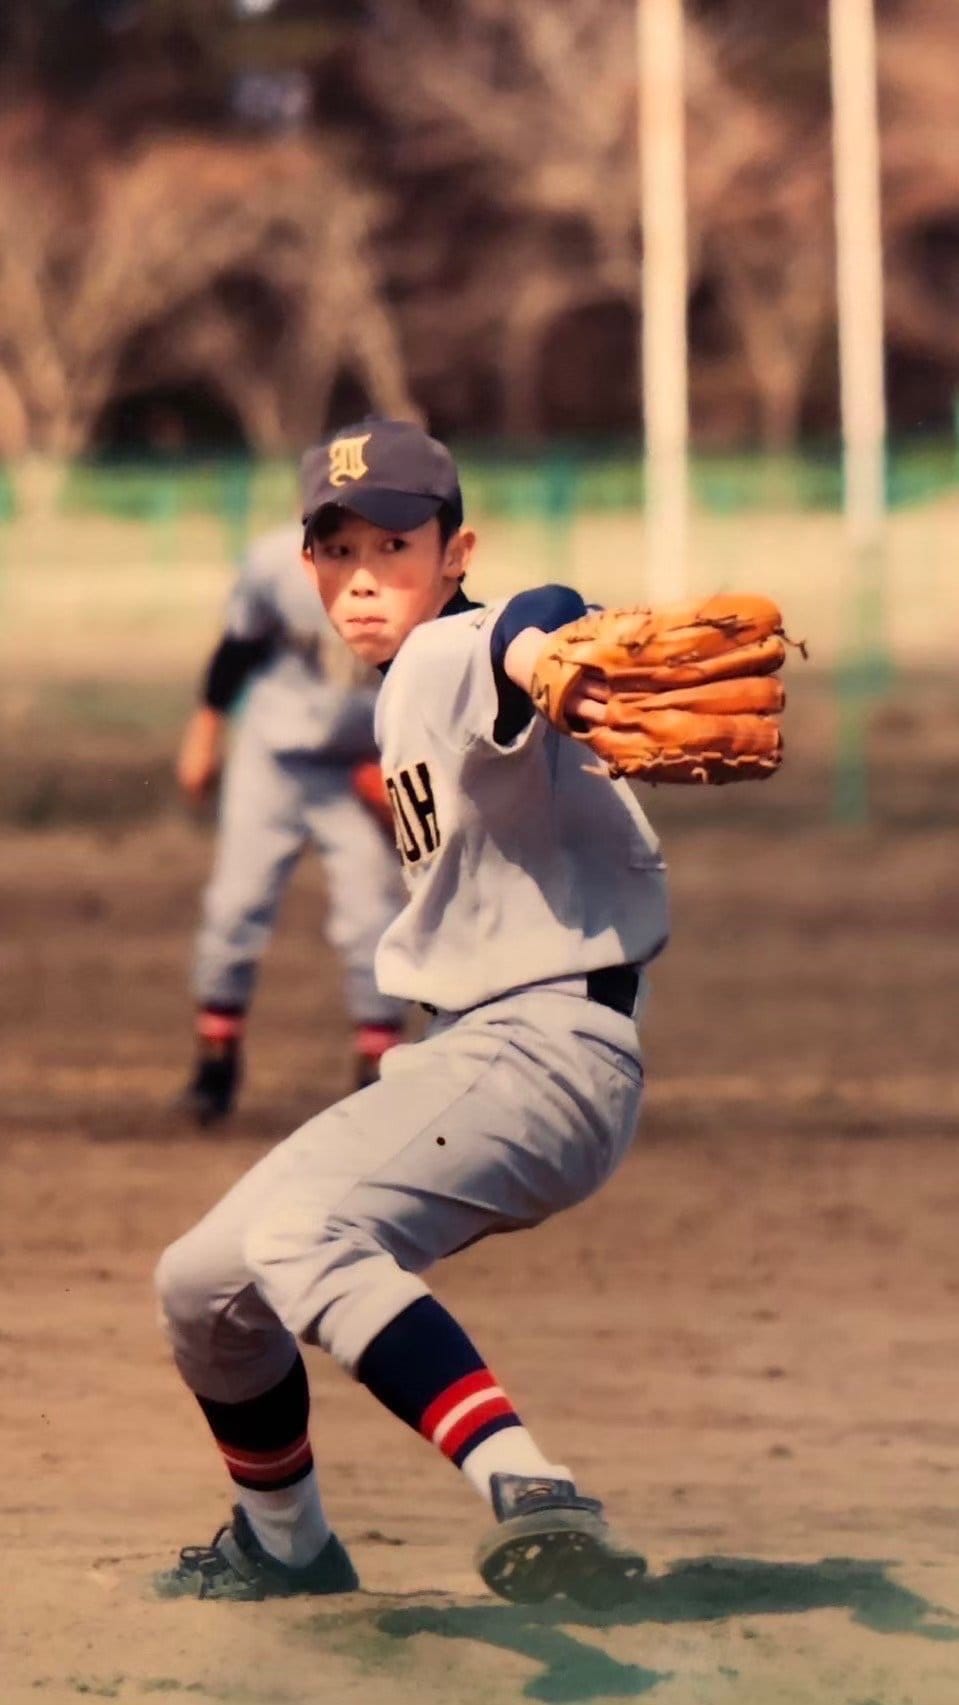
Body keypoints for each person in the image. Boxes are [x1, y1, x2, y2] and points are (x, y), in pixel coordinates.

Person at [154, 417, 671, 1607]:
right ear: (307, 567)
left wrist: (543, 654)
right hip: (484, 1056)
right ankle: (284, 1542)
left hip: (543, 1055)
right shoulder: (399, 690)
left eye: (395, 541)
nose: (363, 575)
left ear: (453, 551)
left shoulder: (453, 649)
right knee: (201, 1283)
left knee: (300, 1240)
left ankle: (526, 1481)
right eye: (338, 550)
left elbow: (527, 614)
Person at [175, 521, 407, 1124]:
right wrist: (205, 734)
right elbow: (237, 651)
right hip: (274, 757)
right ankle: (215, 1059)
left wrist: (408, 766)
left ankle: (378, 1072)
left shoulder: (417, 571)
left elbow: (429, 681)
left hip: (361, 763)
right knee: (236, 903)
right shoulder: (277, 563)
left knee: (373, 914)